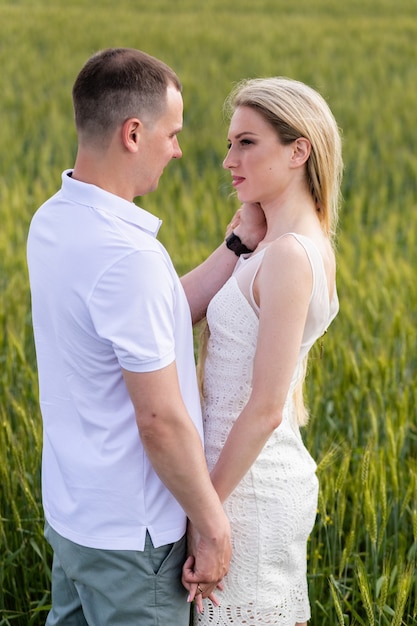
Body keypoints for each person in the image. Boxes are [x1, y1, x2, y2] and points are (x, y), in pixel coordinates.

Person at [26, 48, 266, 625]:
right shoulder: (128, 256)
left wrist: (234, 250)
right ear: (133, 133)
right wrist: (211, 527)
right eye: (172, 133)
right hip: (135, 546)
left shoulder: (53, 221)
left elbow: (147, 321)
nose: (178, 149)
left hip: (74, 521)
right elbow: (159, 421)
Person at [185, 77, 343, 625]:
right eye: (230, 143)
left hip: (248, 495)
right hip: (234, 487)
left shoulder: (290, 257)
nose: (230, 159)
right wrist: (241, 238)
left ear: (299, 150)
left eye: (247, 142)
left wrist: (208, 516)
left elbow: (265, 406)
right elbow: (174, 314)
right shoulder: (272, 247)